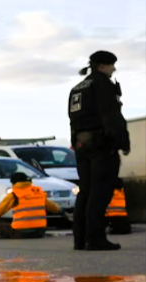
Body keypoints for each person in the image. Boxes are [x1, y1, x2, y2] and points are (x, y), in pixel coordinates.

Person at [68, 50, 130, 251]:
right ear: (102, 66)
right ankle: (95, 238)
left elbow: (73, 121)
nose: (113, 69)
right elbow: (111, 115)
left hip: (81, 145)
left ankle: (80, 239)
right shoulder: (102, 84)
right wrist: (123, 141)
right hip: (101, 145)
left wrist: (74, 142)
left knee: (85, 191)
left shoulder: (77, 88)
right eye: (112, 65)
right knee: (101, 191)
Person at [0, 173, 67, 239]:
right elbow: (51, 206)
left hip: (21, 231)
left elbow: (0, 210)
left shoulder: (14, 194)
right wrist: (60, 210)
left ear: (14, 183)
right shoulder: (38, 191)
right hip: (40, 231)